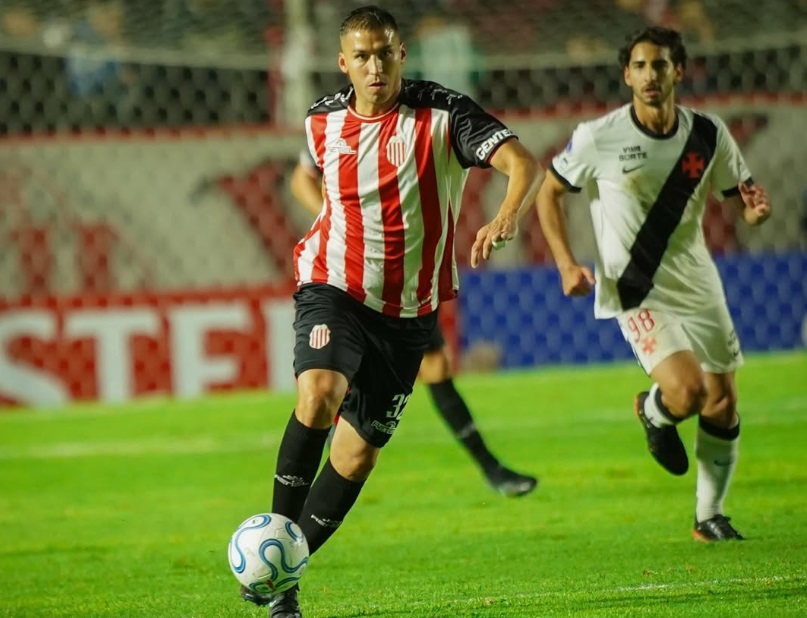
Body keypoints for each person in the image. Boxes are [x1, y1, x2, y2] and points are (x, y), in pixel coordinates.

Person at [243, 6, 542, 617]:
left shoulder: (443, 114)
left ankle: (284, 569)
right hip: (333, 284)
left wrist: (505, 215)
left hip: (408, 311)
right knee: (318, 391)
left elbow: (522, 163)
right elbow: (313, 181)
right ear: (343, 62)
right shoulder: (321, 119)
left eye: (384, 53)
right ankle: (276, 565)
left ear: (401, 53)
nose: (374, 66)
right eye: (362, 55)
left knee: (355, 456)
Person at [534, 26, 772, 543]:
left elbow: (744, 196)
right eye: (639, 66)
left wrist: (754, 212)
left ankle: (710, 517)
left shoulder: (708, 134)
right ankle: (653, 410)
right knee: (687, 391)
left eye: (659, 66)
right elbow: (547, 193)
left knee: (723, 400)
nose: (649, 76)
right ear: (626, 75)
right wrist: (565, 264)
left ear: (678, 72)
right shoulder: (599, 135)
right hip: (635, 285)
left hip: (698, 282)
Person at [290, 147, 538, 498]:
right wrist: (336, 221)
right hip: (350, 275)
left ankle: (490, 467)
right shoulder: (338, 123)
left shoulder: (414, 123)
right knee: (336, 379)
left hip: (402, 274)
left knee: (436, 365)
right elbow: (302, 178)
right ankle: (314, 479)